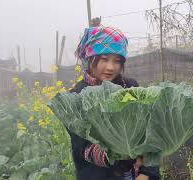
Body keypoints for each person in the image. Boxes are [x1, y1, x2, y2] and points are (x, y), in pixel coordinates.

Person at [67, 25, 160, 180]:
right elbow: (83, 149)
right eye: (104, 59)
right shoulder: (75, 97)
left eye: (117, 61)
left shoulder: (131, 87)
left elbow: (150, 135)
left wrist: (147, 173)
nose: (111, 67)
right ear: (90, 58)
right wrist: (121, 152)